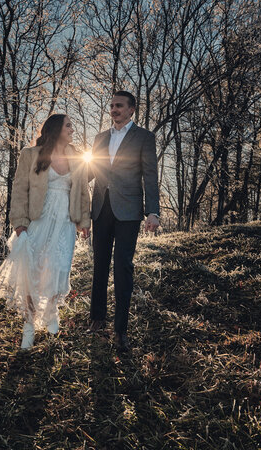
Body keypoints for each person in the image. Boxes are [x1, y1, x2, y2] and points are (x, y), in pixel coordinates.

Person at [0, 114, 91, 349]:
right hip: (39, 219)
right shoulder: (31, 155)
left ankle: (51, 313)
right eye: (69, 126)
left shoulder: (77, 156)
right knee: (32, 271)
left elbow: (83, 192)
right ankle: (29, 323)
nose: (72, 130)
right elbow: (19, 190)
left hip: (65, 222)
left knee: (59, 267)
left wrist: (84, 221)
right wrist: (19, 222)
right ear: (56, 129)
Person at [88, 91, 160, 351]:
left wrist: (153, 211)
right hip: (101, 209)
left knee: (123, 268)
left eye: (119, 106)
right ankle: (97, 318)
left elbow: (150, 176)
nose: (114, 110)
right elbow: (88, 171)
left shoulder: (144, 137)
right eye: (111, 106)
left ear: (132, 109)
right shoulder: (100, 138)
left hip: (129, 211)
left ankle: (121, 330)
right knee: (99, 265)